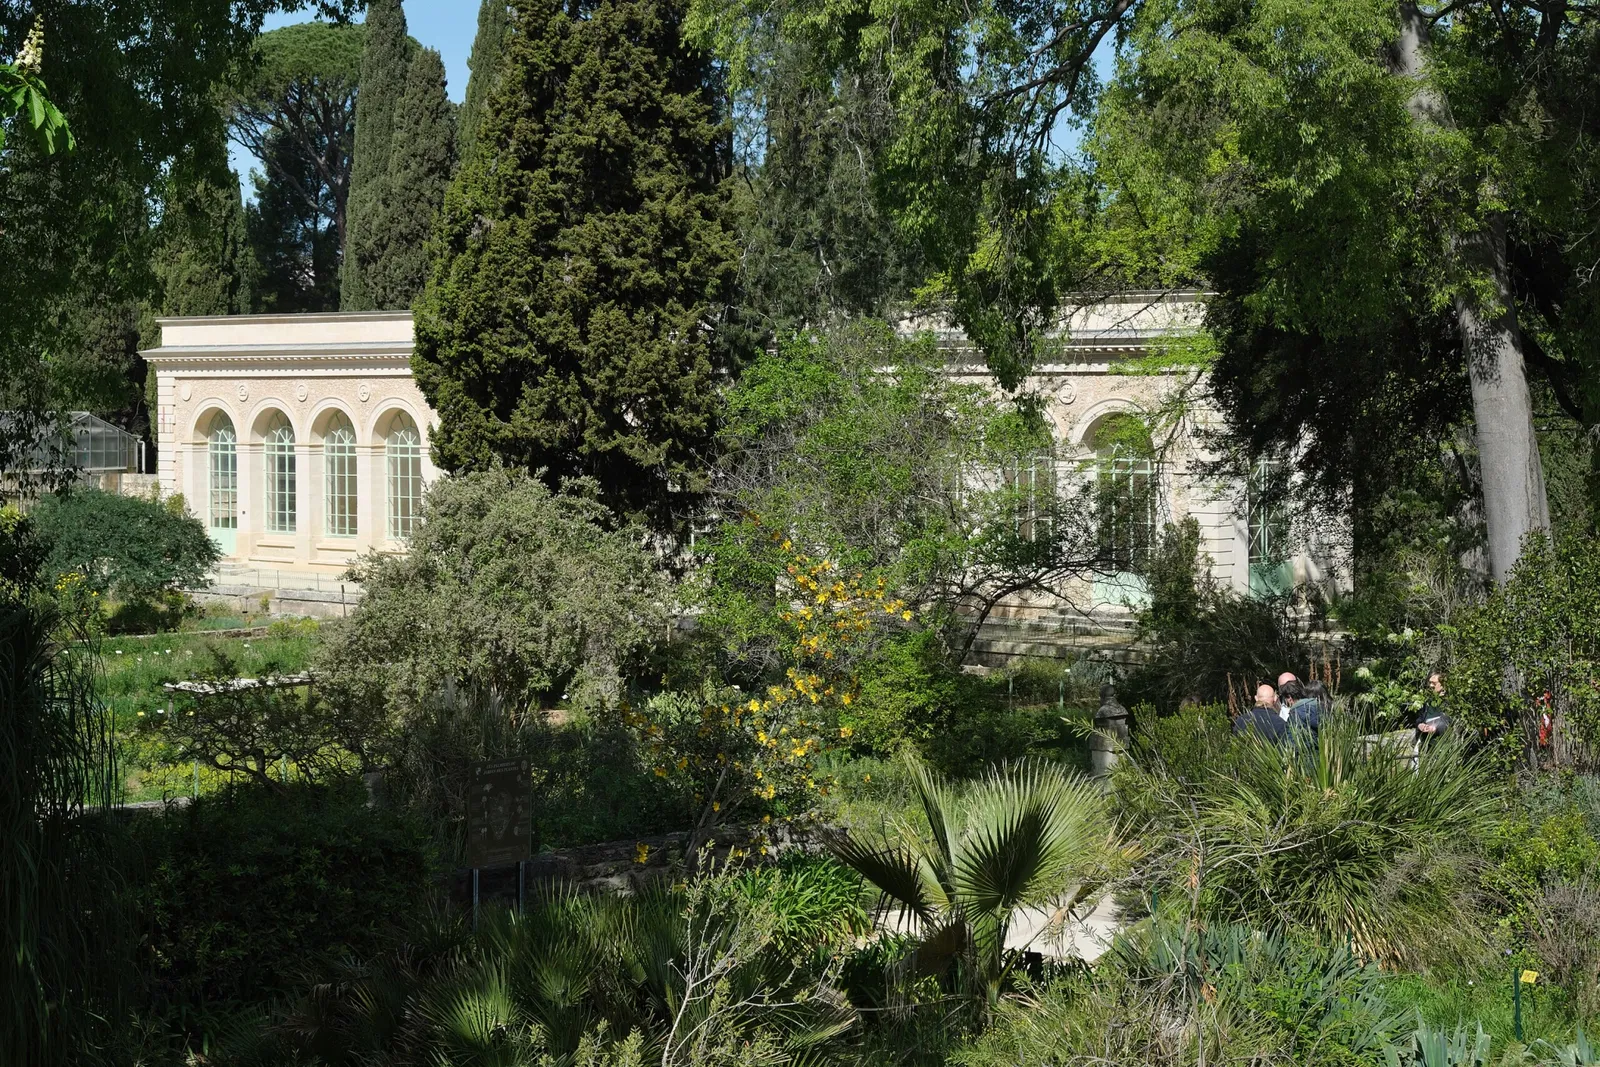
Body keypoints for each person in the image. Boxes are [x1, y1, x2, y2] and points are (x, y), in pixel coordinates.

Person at [1415, 672, 1450, 741]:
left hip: (1442, 744)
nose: (1431, 685)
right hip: (1426, 744)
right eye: (1430, 683)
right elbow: (1420, 718)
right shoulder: (1429, 701)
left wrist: (1436, 728)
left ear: (1443, 684)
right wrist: (1420, 725)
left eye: (1434, 683)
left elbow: (1451, 722)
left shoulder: (1450, 702)